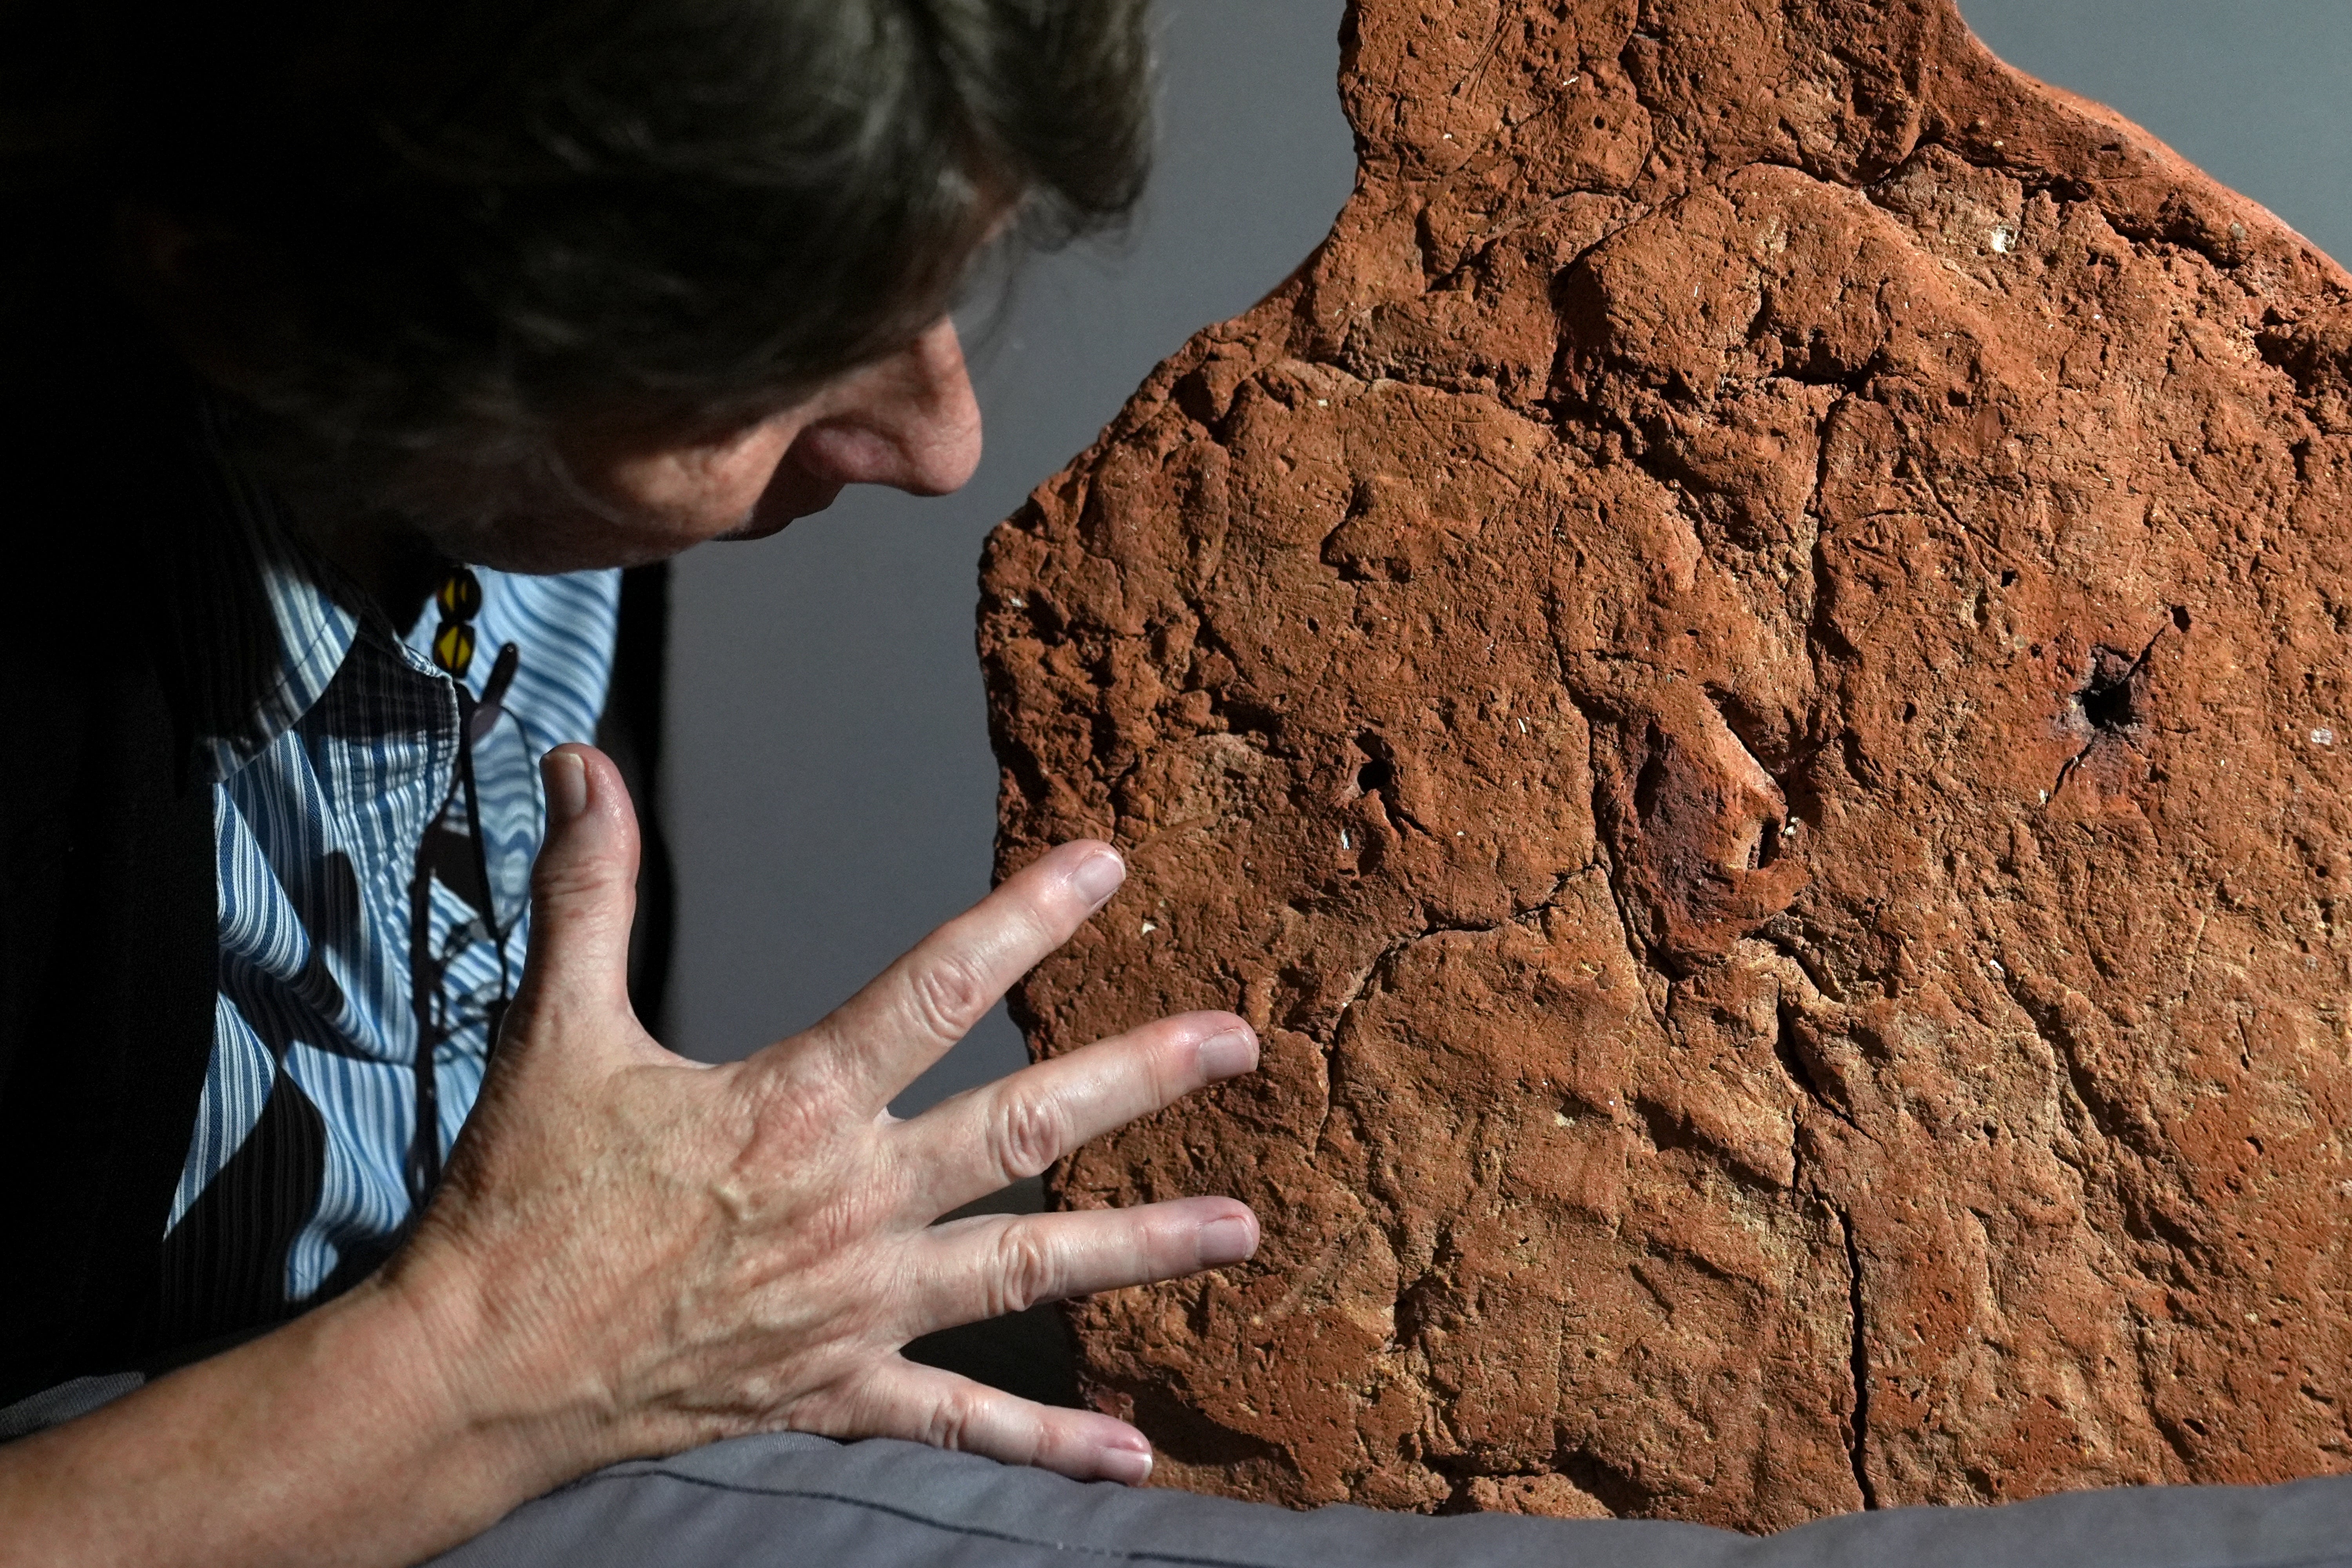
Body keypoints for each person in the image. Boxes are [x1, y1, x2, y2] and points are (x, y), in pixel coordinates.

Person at [0, 4, 2345, 1567]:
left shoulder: (510, 487)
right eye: (751, 369)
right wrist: (493, 1366)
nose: (940, 446)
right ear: (252, 281)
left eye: (942, 302)